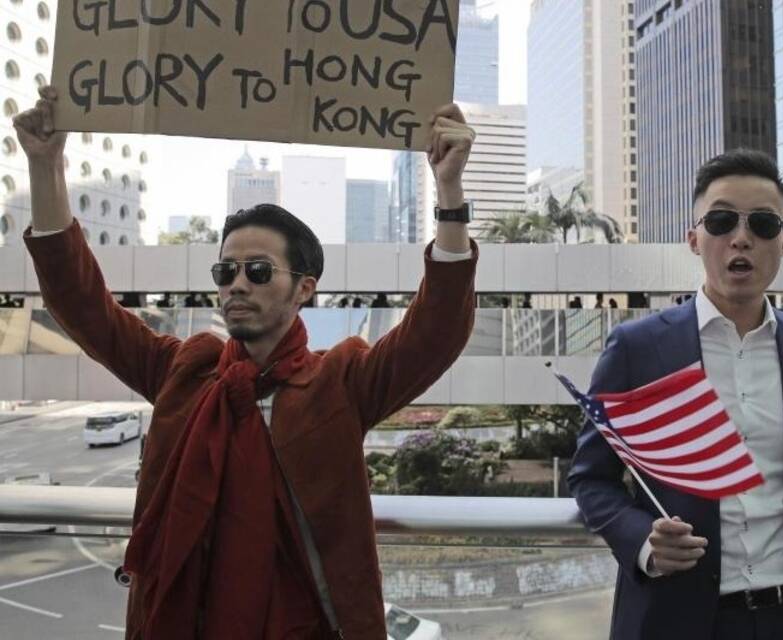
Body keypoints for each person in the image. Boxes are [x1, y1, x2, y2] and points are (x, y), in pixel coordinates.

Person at [14, 86, 478, 639]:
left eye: (258, 271)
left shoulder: (341, 382)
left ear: (304, 288)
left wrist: (449, 192)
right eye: (225, 271)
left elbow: (437, 331)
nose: (236, 283)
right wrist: (46, 167)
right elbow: (81, 304)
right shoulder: (182, 371)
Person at [567, 149, 783, 640]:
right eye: (721, 220)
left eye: (762, 224)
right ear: (694, 238)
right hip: (676, 616)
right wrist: (643, 543)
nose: (741, 238)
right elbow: (592, 478)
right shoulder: (638, 348)